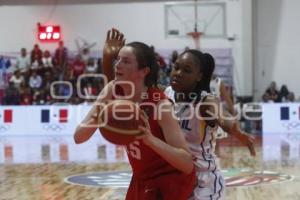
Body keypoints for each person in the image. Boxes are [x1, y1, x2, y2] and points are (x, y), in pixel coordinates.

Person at [74, 28, 196, 200]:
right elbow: (79, 137)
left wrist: (150, 140)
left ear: (143, 71)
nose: (117, 65)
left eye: (126, 61)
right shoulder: (111, 90)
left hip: (169, 180)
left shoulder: (160, 105)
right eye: (117, 60)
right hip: (141, 177)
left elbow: (187, 164)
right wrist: (100, 111)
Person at [164, 49, 256, 199]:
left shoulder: (206, 101)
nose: (178, 73)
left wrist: (234, 128)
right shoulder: (166, 93)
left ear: (199, 76)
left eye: (187, 70)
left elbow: (221, 115)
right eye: (176, 67)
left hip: (202, 181)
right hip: (173, 176)